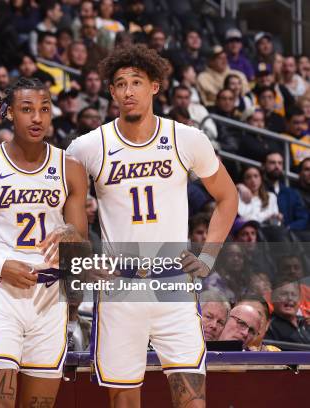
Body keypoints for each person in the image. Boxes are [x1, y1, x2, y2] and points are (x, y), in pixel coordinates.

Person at [67, 44, 238, 407]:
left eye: (137, 82)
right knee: (124, 399)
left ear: (155, 86)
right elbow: (66, 214)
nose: (129, 91)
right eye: (120, 84)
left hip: (173, 283)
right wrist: (83, 257)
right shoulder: (86, 148)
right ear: (111, 91)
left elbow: (228, 198)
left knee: (192, 397)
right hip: (119, 287)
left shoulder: (187, 138)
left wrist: (207, 257)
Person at [0, 77, 88, 408]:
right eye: (26, 109)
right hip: (1, 295)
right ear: (9, 113)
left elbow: (81, 239)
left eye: (44, 110)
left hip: (51, 296)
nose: (37, 118)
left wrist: (73, 236)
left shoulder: (70, 168)